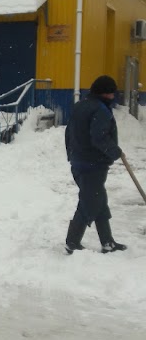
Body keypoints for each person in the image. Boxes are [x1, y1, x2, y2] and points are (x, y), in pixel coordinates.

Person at [65, 74, 127, 254]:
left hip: (79, 161)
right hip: (93, 164)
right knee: (90, 202)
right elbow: (99, 138)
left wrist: (72, 154)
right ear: (105, 93)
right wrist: (115, 151)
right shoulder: (100, 109)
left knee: (98, 200)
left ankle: (107, 242)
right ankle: (72, 242)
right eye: (112, 93)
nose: (114, 96)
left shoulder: (80, 106)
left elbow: (69, 133)